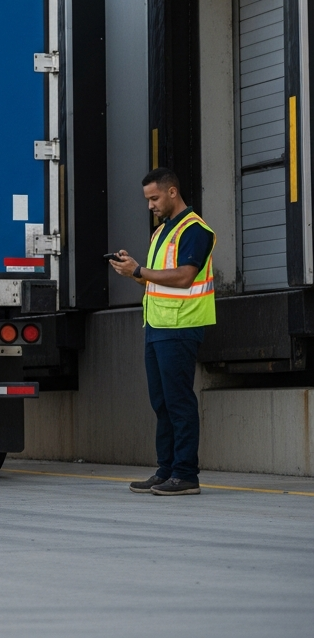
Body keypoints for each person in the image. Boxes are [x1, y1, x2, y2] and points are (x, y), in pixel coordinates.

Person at [109, 167, 216, 496]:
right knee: (162, 403)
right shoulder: (160, 233)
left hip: (181, 327)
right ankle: (166, 470)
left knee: (179, 401)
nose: (150, 205)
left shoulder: (196, 230)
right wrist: (133, 271)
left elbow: (185, 276)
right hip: (156, 326)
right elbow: (155, 278)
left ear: (172, 192)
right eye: (147, 199)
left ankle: (186, 475)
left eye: (154, 198)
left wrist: (140, 270)